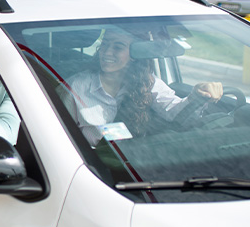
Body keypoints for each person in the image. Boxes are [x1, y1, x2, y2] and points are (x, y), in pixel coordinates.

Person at [62, 28, 223, 146]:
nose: (107, 52)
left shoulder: (147, 82)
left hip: (137, 164)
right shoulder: (76, 87)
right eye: (105, 44)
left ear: (135, 54)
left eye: (118, 47)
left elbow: (174, 112)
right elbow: (59, 135)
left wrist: (197, 96)